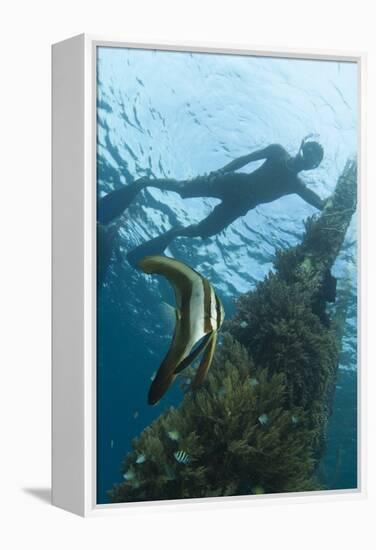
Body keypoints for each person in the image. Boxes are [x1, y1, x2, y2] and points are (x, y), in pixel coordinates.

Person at [124, 137, 327, 265]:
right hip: (231, 182)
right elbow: (245, 160)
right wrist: (221, 171)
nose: (308, 160)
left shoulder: (297, 184)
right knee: (182, 188)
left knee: (204, 231)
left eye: (313, 161)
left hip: (240, 206)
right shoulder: (277, 151)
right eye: (309, 153)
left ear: (313, 166)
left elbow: (317, 201)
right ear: (302, 147)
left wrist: (330, 205)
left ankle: (175, 232)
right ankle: (145, 183)